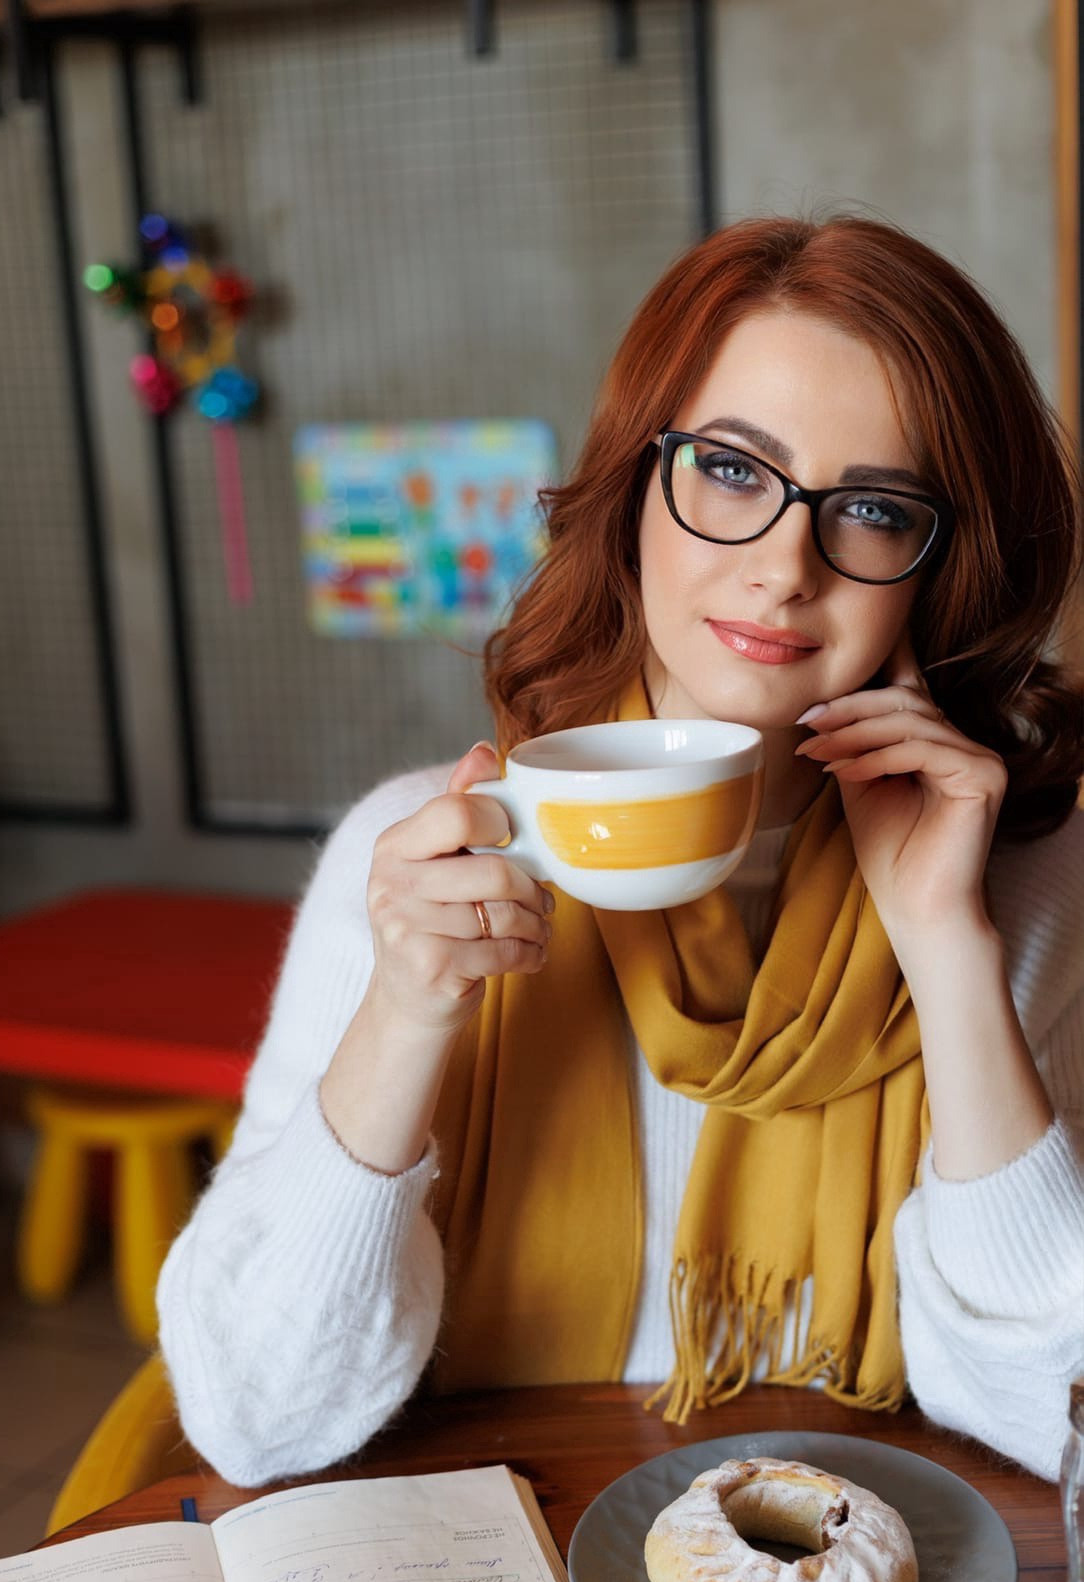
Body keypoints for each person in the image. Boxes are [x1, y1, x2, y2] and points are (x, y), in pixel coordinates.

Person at [158, 214, 1084, 1486]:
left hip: (849, 1574)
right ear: (633, 487)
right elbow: (254, 1416)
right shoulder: (418, 858)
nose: (782, 567)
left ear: (939, 564)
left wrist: (943, 946)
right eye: (732, 470)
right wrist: (407, 1012)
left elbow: (1056, 1415)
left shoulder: (1025, 880)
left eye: (873, 508)